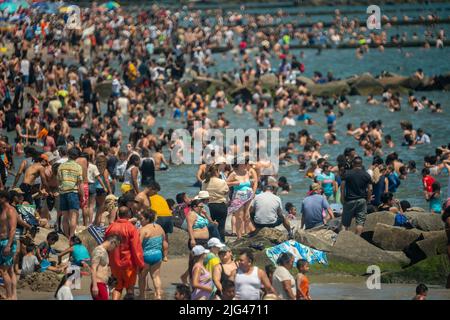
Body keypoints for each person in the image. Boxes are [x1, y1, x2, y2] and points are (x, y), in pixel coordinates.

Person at [105, 206, 145, 300]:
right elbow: (136, 248)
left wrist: (108, 262)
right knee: (129, 287)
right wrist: (140, 263)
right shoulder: (131, 228)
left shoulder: (111, 227)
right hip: (128, 263)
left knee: (117, 287)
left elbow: (106, 245)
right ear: (128, 214)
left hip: (114, 263)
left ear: (118, 214)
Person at [139, 209, 168, 300]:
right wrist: (165, 255)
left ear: (147, 219)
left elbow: (138, 244)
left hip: (146, 256)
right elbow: (164, 243)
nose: (140, 220)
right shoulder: (159, 227)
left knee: (142, 277)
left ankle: (142, 295)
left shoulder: (143, 230)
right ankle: (158, 294)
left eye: (141, 218)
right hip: (157, 255)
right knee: (156, 276)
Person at [340, 157, 372, 235]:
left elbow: (342, 187)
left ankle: (343, 240)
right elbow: (370, 189)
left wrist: (342, 198)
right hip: (362, 200)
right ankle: (357, 239)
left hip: (349, 200)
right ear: (361, 164)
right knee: (360, 223)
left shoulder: (347, 173)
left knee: (345, 223)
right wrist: (368, 200)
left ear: (353, 164)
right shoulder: (366, 175)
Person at [57, 147, 84, 238]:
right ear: (76, 157)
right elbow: (80, 183)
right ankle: (72, 236)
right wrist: (83, 196)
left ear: (68, 155)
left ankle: (66, 236)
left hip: (63, 193)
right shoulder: (78, 167)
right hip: (73, 193)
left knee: (65, 217)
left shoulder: (61, 166)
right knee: (73, 216)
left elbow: (59, 181)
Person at [227, 160, 258, 238]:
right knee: (239, 217)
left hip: (249, 195)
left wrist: (253, 192)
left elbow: (255, 182)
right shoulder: (234, 174)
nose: (247, 164)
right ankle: (239, 236)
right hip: (238, 196)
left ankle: (247, 234)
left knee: (247, 216)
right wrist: (234, 183)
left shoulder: (248, 172)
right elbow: (225, 183)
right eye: (245, 162)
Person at [202, 165, 229, 242]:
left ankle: (211, 243)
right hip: (221, 205)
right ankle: (222, 243)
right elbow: (226, 193)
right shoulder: (222, 182)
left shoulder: (204, 182)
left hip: (209, 206)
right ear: (216, 172)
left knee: (211, 226)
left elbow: (203, 194)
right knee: (221, 227)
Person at [91, 234, 122, 300]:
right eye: (116, 246)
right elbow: (93, 268)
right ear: (112, 242)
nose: (115, 248)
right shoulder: (99, 250)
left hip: (102, 284)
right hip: (98, 284)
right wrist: (94, 285)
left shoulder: (104, 251)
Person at [0, 190, 18, 300]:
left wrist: (8, 245)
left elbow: (12, 229)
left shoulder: (11, 210)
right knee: (9, 270)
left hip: (7, 242)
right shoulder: (2, 210)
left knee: (4, 271)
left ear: (4, 198)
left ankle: (9, 296)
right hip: (2, 242)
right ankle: (11, 295)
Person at [148, 181, 173, 249]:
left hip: (159, 217)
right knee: (165, 236)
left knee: (155, 234)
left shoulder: (149, 198)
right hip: (169, 216)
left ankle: (155, 250)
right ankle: (165, 255)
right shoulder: (161, 198)